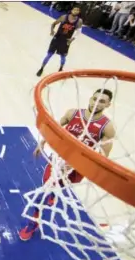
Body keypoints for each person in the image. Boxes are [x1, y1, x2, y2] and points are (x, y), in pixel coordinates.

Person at [19, 89, 116, 241]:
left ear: (108, 104)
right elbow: (54, 128)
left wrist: (87, 166)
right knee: (43, 192)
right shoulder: (73, 113)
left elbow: (103, 155)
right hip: (58, 160)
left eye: (102, 101)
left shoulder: (107, 127)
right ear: (90, 98)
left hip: (79, 166)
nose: (96, 103)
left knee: (59, 187)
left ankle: (52, 193)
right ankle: (33, 222)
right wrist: (43, 142)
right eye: (95, 98)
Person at [36, 6, 83, 76]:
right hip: (57, 38)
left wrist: (72, 39)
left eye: (77, 10)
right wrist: (52, 31)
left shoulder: (79, 21)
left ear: (79, 12)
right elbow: (53, 23)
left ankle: (61, 68)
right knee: (49, 54)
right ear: (71, 10)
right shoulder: (64, 17)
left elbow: (79, 32)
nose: (75, 11)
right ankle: (41, 68)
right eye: (74, 10)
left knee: (63, 56)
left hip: (66, 40)